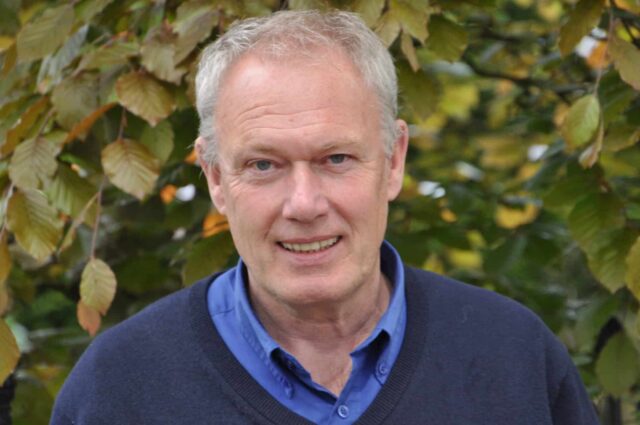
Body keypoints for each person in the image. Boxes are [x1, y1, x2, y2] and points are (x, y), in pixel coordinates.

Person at [50, 10, 599, 425]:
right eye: (263, 165)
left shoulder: (513, 357)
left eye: (336, 159)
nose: (305, 204)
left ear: (393, 161)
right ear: (215, 178)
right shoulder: (118, 386)